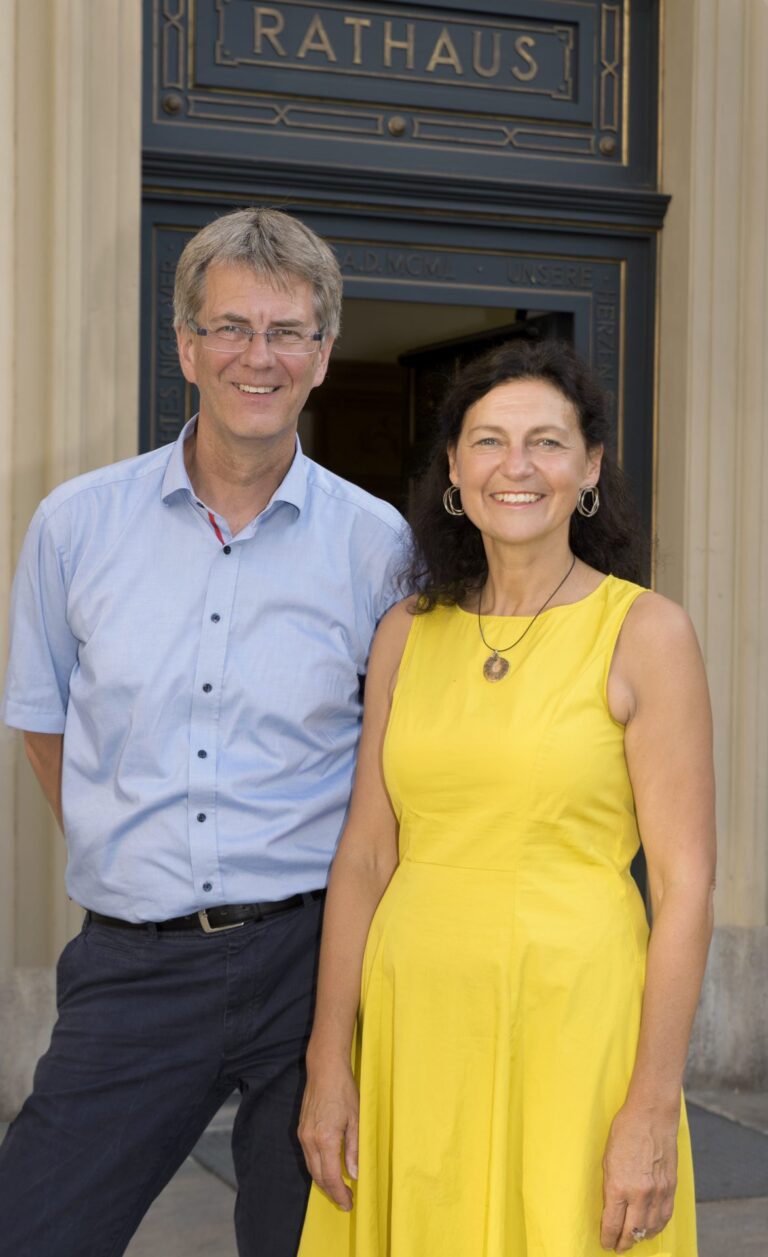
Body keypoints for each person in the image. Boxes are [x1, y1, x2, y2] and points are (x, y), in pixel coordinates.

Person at [0, 207, 407, 1257]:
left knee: (304, 1244)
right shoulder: (74, 526)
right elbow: (48, 726)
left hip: (314, 968)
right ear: (184, 344)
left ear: (323, 353)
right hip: (135, 969)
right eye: (229, 328)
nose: (255, 357)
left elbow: (393, 770)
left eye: (285, 332)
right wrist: (143, 852)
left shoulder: (378, 548)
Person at [296, 339, 716, 1256]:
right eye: (488, 441)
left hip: (577, 1030)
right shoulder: (407, 632)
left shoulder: (646, 632)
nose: (516, 466)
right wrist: (331, 1058)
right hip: (416, 1030)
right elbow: (366, 854)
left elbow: (685, 888)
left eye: (547, 442)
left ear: (590, 466)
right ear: (453, 467)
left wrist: (652, 1104)